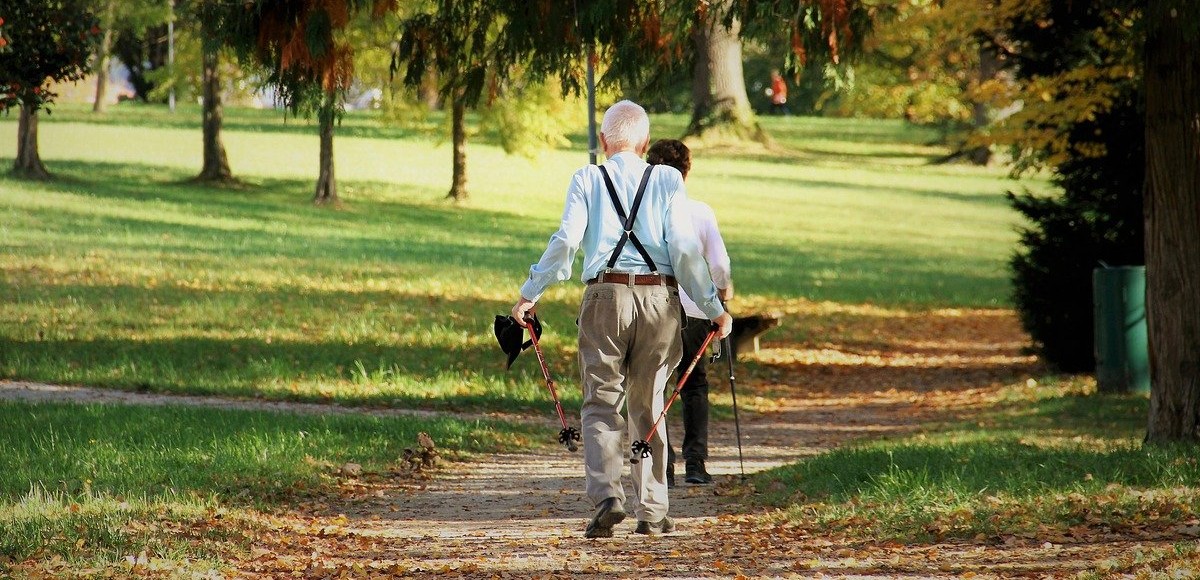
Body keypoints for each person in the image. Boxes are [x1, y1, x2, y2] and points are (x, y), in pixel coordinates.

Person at [511, 100, 733, 538]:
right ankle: (652, 510)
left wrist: (529, 294)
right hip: (659, 299)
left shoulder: (587, 178)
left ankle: (608, 497)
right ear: (645, 143)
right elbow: (686, 253)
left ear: (603, 142)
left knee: (600, 400)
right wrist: (714, 308)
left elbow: (566, 241)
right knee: (650, 403)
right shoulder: (668, 179)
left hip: (604, 297)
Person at [645, 139, 732, 487]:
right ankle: (696, 463)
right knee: (694, 385)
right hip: (697, 309)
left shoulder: (644, 214)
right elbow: (720, 264)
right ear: (687, 171)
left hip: (656, 307)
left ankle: (662, 466)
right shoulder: (700, 212)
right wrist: (723, 294)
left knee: (657, 384)